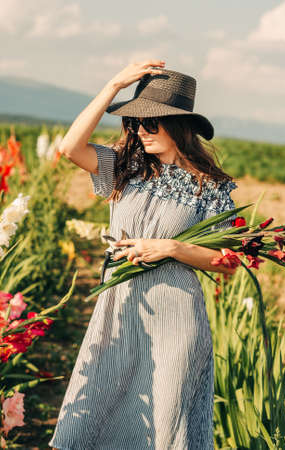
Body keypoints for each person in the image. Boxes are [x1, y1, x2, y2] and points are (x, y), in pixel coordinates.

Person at [49, 60, 237, 450]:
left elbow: (229, 264)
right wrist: (115, 84)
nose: (140, 131)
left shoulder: (211, 188)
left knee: (164, 424)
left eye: (151, 123)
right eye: (135, 122)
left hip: (176, 316)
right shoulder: (125, 167)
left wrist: (171, 248)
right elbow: (69, 148)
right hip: (119, 308)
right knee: (91, 420)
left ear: (179, 126)